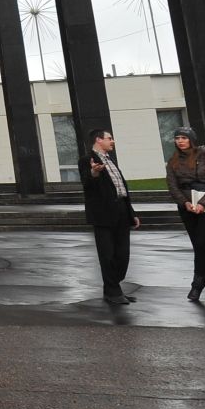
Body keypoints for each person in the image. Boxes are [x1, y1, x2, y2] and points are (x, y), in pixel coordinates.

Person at [79, 128, 141, 305]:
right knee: (107, 254)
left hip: (122, 211)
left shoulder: (111, 160)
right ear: (99, 140)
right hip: (103, 214)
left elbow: (121, 188)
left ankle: (112, 287)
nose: (112, 141)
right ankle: (113, 292)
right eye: (109, 138)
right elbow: (86, 182)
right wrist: (94, 173)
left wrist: (131, 213)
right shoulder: (86, 160)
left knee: (123, 255)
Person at [166, 126, 205, 303]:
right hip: (187, 207)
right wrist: (184, 203)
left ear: (191, 139)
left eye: (184, 138)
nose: (180, 141)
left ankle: (201, 284)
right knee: (200, 247)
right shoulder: (173, 161)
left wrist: (203, 204)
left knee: (201, 243)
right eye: (177, 138)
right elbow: (172, 186)